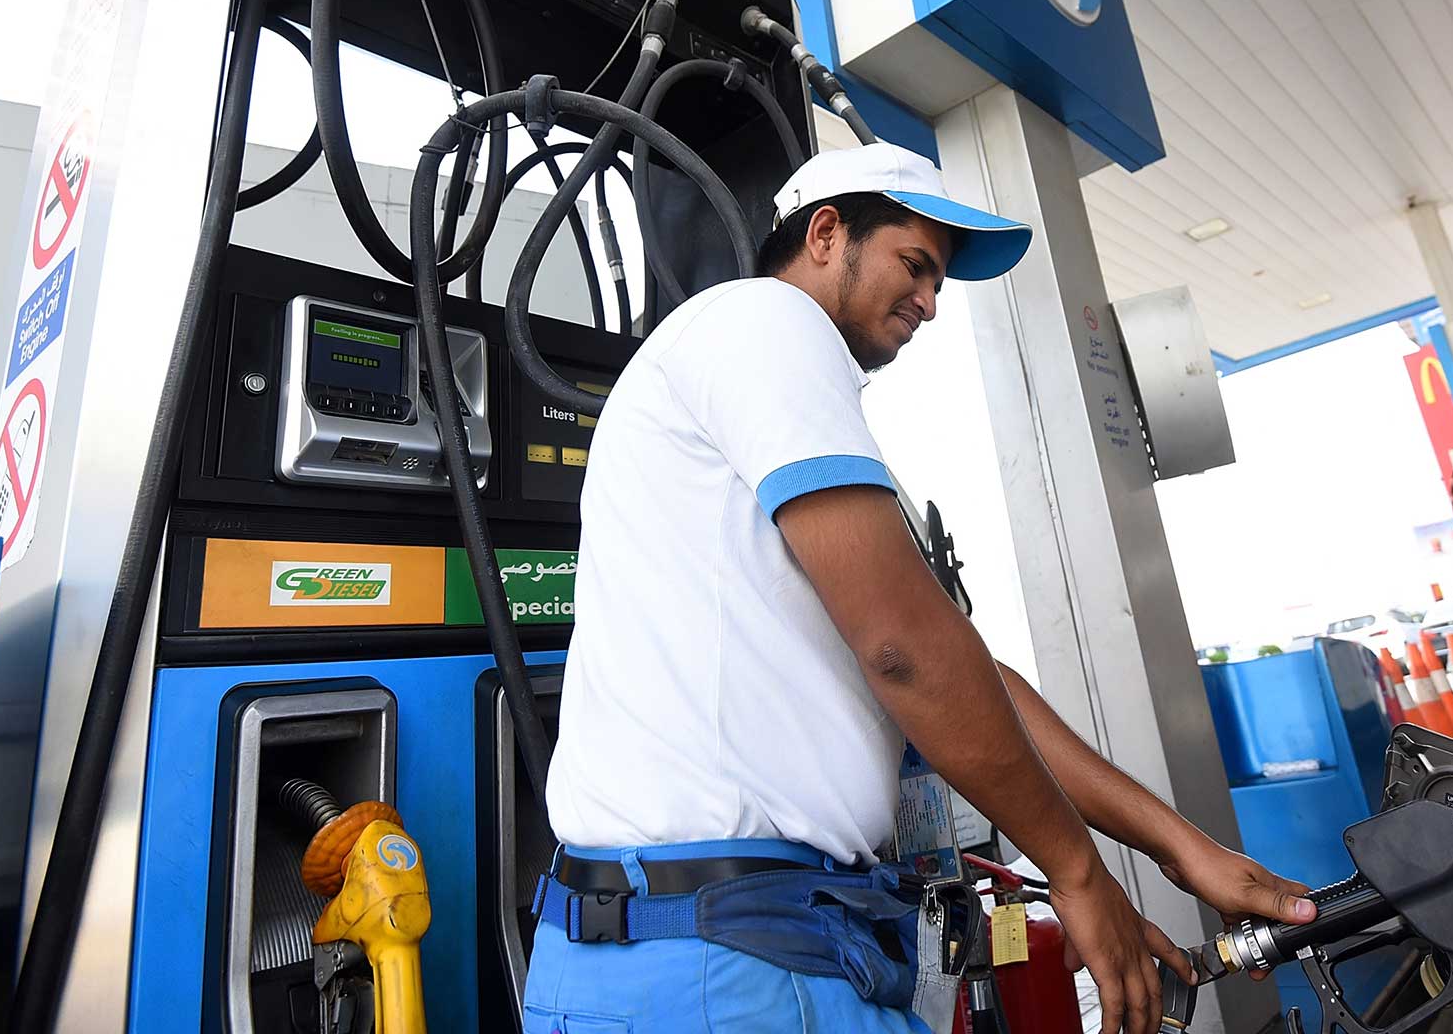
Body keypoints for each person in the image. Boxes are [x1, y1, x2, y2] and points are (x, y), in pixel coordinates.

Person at [523, 142, 1313, 1034]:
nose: (931, 303)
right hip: (717, 964)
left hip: (725, 946)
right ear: (826, 234)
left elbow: (966, 675)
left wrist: (1178, 848)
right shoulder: (763, 323)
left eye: (938, 281)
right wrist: (1078, 873)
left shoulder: (770, 394)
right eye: (915, 264)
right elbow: (907, 653)